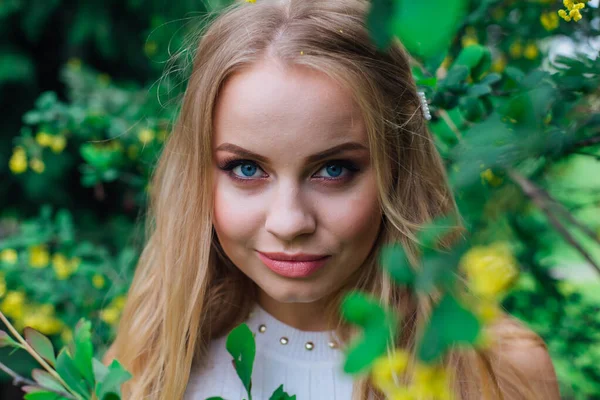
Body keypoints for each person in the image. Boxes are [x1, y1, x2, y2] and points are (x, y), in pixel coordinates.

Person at [103, 0, 561, 399]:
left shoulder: (501, 370)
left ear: (398, 172)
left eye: (333, 170)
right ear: (200, 176)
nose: (289, 222)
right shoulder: (151, 362)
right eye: (246, 169)